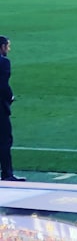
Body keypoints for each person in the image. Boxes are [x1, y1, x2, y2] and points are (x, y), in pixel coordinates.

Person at [0, 36, 24, 182]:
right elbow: (2, 85)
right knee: (4, 140)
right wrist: (10, 97)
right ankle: (7, 174)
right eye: (7, 46)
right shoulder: (3, 63)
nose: (9, 49)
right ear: (2, 46)